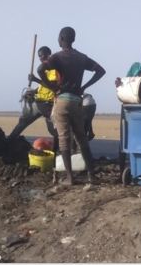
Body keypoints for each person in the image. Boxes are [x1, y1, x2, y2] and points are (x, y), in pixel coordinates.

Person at [37, 26, 106, 185]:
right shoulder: (82, 57)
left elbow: (40, 69)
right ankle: (92, 175)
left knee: (63, 139)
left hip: (62, 100)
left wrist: (52, 87)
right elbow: (101, 71)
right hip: (77, 101)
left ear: (61, 39)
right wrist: (84, 86)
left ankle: (69, 177)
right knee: (82, 139)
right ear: (73, 39)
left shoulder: (56, 57)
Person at [8, 46, 59, 147]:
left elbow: (52, 87)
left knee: (55, 129)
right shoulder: (44, 69)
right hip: (38, 101)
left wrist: (36, 79)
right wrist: (33, 92)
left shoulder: (54, 69)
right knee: (22, 122)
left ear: (49, 54)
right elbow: (43, 87)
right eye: (39, 56)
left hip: (49, 104)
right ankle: (8, 142)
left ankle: (57, 150)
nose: (41, 58)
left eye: (43, 56)